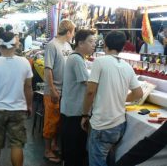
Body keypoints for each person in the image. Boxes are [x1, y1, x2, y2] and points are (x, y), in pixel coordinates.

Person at [81, 31, 143, 166]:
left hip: (102, 124)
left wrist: (85, 114)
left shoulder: (100, 62)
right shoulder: (127, 66)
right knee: (109, 158)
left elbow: (90, 92)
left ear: (105, 45)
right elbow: (139, 93)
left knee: (97, 161)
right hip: (119, 124)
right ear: (122, 47)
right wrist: (121, 98)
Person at [0, 30, 33, 166]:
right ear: (15, 46)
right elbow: (28, 87)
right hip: (18, 109)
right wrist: (29, 105)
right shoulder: (24, 63)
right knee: (16, 144)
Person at [60, 29, 96, 166]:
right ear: (80, 43)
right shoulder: (77, 59)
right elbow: (88, 84)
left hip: (70, 109)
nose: (94, 45)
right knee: (74, 150)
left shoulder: (76, 58)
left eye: (94, 42)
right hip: (74, 112)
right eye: (91, 42)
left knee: (70, 148)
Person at [43, 19, 75, 163]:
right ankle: (47, 150)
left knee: (59, 121)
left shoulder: (68, 45)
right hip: (54, 90)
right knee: (51, 120)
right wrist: (53, 90)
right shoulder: (52, 45)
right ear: (68, 32)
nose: (73, 35)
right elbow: (48, 69)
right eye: (73, 32)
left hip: (66, 90)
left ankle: (55, 144)